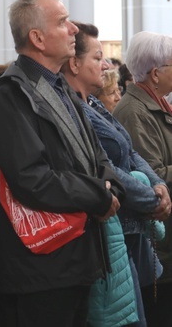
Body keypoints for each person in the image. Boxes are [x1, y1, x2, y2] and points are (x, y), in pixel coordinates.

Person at [0, 0, 124, 326]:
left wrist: (112, 187)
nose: (74, 29)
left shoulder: (59, 88)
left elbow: (95, 155)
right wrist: (99, 195)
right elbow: (31, 177)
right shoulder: (11, 95)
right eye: (63, 22)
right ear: (38, 38)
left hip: (78, 256)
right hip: (43, 266)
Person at [62, 22, 171, 327]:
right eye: (98, 57)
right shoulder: (78, 111)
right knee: (125, 313)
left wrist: (158, 184)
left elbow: (132, 152)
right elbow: (106, 167)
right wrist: (152, 196)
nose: (107, 64)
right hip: (114, 226)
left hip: (132, 225)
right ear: (74, 63)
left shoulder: (94, 104)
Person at [113, 30, 172, 326]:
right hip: (159, 242)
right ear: (155, 73)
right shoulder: (135, 112)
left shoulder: (159, 105)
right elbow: (152, 175)